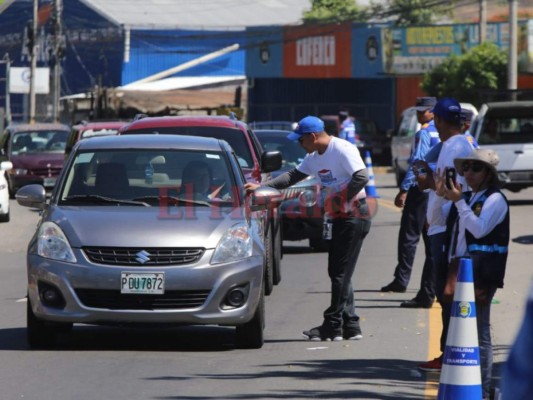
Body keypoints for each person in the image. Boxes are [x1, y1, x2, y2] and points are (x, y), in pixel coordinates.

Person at [245, 115, 371, 341]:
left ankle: (332, 325)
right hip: (339, 217)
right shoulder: (314, 157)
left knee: (340, 273)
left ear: (312, 136)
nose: (299, 145)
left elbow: (361, 176)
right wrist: (263, 186)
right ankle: (350, 325)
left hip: (354, 215)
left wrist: (340, 199)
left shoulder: (342, 149)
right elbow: (293, 176)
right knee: (339, 272)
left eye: (301, 140)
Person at [435, 148, 510, 400]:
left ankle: (485, 388)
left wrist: (457, 201)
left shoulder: (495, 199)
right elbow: (436, 221)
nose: (468, 172)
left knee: (480, 331)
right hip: (460, 267)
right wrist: (440, 195)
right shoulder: (464, 196)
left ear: (489, 173)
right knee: (459, 328)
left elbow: (478, 230)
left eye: (475, 168)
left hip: (481, 270)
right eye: (465, 167)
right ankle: (463, 382)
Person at [416, 97, 476, 372]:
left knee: (448, 292)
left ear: (438, 119)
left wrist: (428, 182)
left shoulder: (455, 146)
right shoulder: (456, 144)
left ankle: (449, 353)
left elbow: (450, 188)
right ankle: (450, 351)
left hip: (452, 229)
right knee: (446, 291)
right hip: (444, 225)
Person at [381, 97, 440, 310]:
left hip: (421, 189)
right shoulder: (446, 135)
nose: (419, 114)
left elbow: (418, 162)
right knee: (433, 240)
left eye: (423, 111)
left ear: (433, 112)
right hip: (437, 191)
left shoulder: (424, 133)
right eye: (418, 111)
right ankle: (435, 287)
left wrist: (406, 188)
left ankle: (402, 280)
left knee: (409, 236)